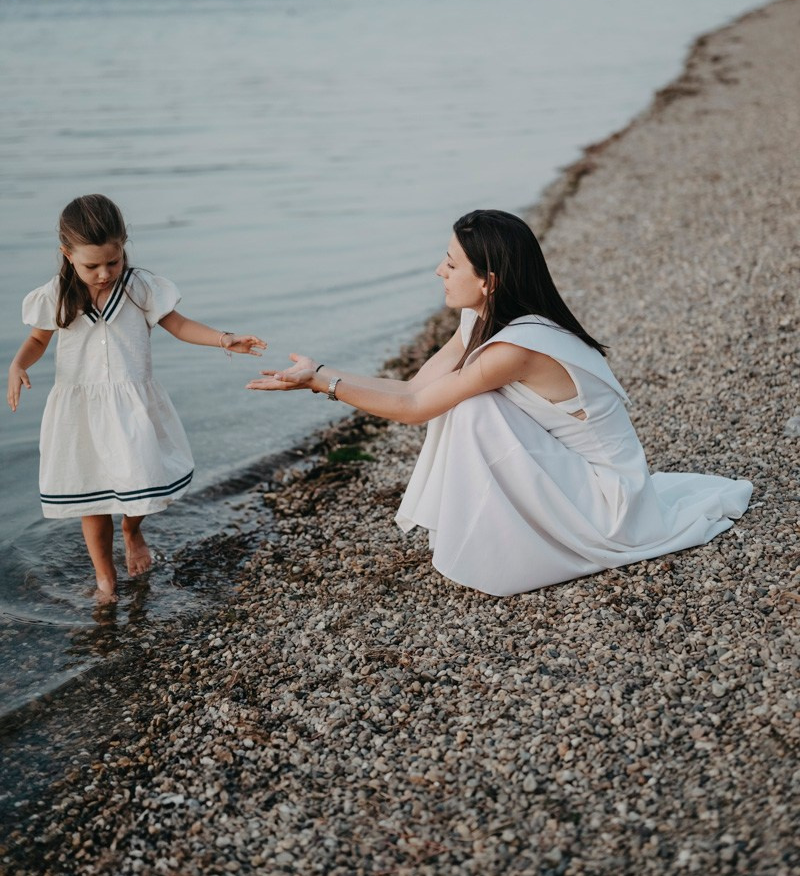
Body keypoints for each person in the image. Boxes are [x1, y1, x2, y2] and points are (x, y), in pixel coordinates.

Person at [247, 209, 752, 597]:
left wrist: (320, 385)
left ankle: (506, 554)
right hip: (574, 474)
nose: (437, 270)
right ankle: (498, 537)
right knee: (464, 403)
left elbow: (416, 409)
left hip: (610, 501)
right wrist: (321, 372)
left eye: (450, 263)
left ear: (487, 280)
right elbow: (411, 388)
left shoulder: (515, 348)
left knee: (470, 408)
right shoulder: (486, 322)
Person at [7, 194, 266, 602]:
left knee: (140, 482)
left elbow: (178, 325)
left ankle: (132, 531)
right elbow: (38, 339)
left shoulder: (139, 287)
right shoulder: (57, 294)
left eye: (113, 261)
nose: (104, 273)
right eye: (92, 265)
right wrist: (18, 365)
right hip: (81, 412)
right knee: (90, 496)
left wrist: (223, 339)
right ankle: (105, 578)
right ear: (66, 254)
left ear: (123, 247)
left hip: (131, 405)